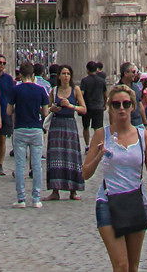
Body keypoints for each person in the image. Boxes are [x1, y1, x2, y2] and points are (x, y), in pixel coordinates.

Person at [81, 81, 147, 272]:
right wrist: (98, 155)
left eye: (126, 104)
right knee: (121, 265)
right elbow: (84, 174)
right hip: (107, 201)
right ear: (110, 107)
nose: (121, 108)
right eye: (116, 104)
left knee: (133, 266)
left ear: (133, 106)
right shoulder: (101, 135)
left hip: (135, 201)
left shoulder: (144, 136)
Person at [9, 62, 52, 208]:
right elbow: (46, 113)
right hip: (36, 129)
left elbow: (9, 111)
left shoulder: (16, 90)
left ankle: (21, 199)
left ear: (20, 75)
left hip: (20, 128)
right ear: (33, 75)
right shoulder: (40, 90)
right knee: (37, 165)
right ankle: (36, 198)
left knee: (20, 166)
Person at [47, 64, 87, 199]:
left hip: (70, 124)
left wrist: (71, 106)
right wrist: (53, 108)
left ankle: (73, 190)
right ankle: (55, 190)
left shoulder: (75, 90)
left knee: (71, 156)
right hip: (56, 125)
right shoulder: (53, 90)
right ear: (58, 76)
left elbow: (83, 109)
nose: (65, 76)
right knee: (55, 157)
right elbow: (47, 108)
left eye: (68, 74)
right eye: (63, 73)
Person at [81, 60, 109, 135]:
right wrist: (105, 104)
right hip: (98, 107)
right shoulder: (102, 81)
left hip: (87, 106)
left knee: (85, 127)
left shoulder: (84, 80)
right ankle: (97, 144)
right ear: (96, 69)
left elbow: (82, 93)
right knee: (98, 129)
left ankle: (87, 145)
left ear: (87, 70)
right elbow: (105, 94)